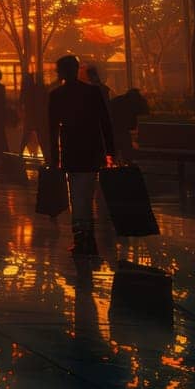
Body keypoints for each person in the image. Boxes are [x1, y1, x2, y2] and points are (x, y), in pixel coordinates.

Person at [48, 55, 117, 257]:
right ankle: (87, 238)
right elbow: (105, 122)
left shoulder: (57, 95)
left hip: (71, 151)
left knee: (77, 196)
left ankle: (82, 238)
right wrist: (110, 151)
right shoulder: (92, 92)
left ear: (60, 72)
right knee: (84, 195)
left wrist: (54, 158)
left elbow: (52, 130)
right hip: (91, 150)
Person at [20, 71, 48, 161]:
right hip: (39, 117)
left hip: (30, 116)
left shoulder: (27, 90)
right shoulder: (41, 88)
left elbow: (22, 102)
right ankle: (47, 158)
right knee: (41, 139)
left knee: (25, 138)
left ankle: (19, 156)